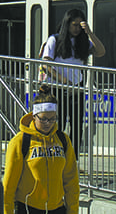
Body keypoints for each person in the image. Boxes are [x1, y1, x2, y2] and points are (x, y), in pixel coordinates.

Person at [38, 10, 105, 152]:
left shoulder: (83, 42)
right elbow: (45, 65)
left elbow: (100, 51)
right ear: (67, 24)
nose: (76, 29)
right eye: (74, 25)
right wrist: (64, 81)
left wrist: (89, 33)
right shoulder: (54, 39)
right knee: (58, 122)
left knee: (76, 124)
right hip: (57, 87)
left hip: (76, 87)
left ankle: (73, 157)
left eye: (79, 26)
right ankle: (54, 154)